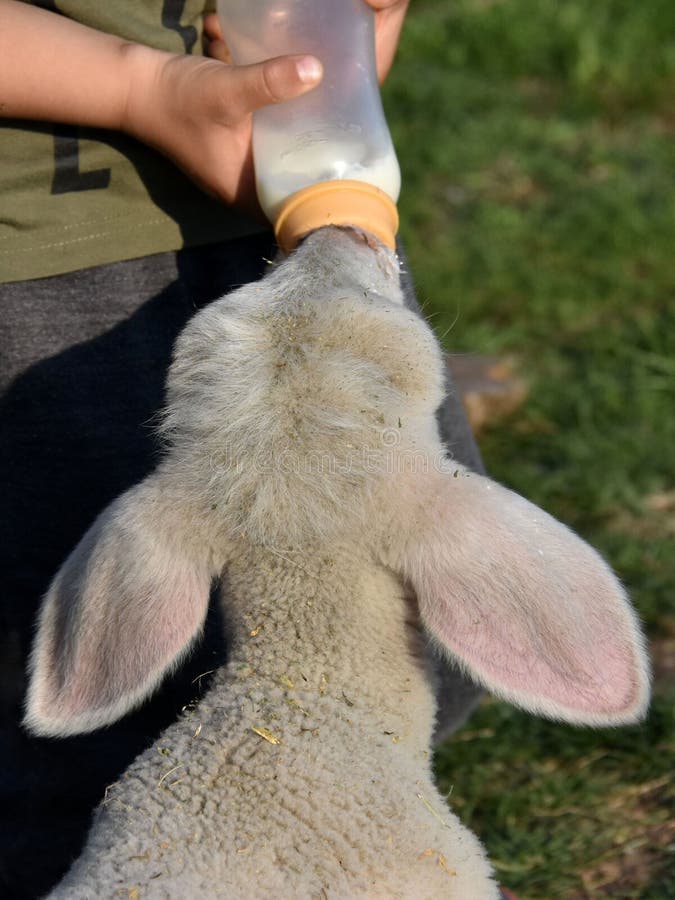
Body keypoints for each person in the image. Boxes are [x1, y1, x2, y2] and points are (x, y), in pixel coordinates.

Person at [0, 2, 483, 896]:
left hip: (291, 186)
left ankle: (346, 847)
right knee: (80, 715)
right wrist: (137, 86)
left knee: (429, 636)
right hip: (45, 254)